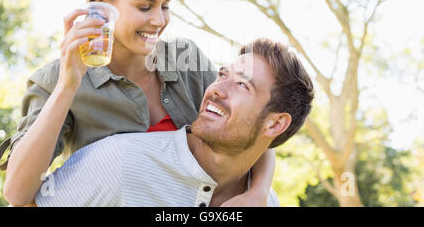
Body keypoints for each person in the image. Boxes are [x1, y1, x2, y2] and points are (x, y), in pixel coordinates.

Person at [0, 0, 276, 207]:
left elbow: (252, 124)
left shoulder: (185, 59)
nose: (159, 20)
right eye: (145, 7)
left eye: (165, 6)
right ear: (103, 3)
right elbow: (18, 192)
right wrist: (67, 86)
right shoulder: (55, 80)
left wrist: (259, 191)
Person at [30, 38, 314, 207]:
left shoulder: (266, 201)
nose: (216, 88)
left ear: (276, 125)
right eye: (222, 75)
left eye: (242, 85)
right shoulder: (121, 162)